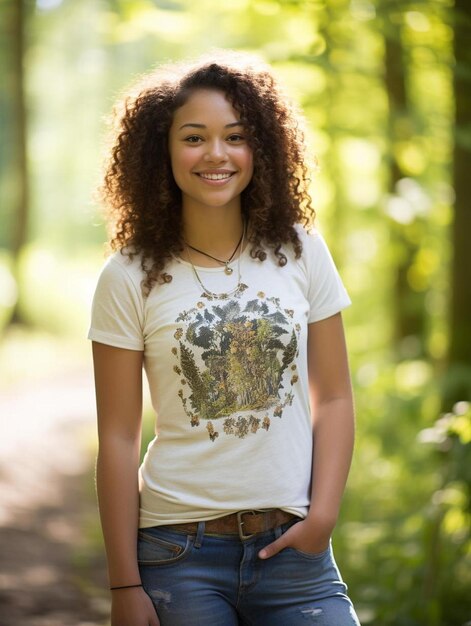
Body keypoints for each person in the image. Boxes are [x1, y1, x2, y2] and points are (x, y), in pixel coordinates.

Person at [88, 50, 361, 626]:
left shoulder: (300, 250)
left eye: (235, 136)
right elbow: (115, 437)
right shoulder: (127, 275)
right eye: (194, 137)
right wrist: (123, 584)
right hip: (176, 553)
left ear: (260, 147)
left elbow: (334, 396)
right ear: (161, 151)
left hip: (295, 551)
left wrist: (324, 516)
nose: (216, 154)